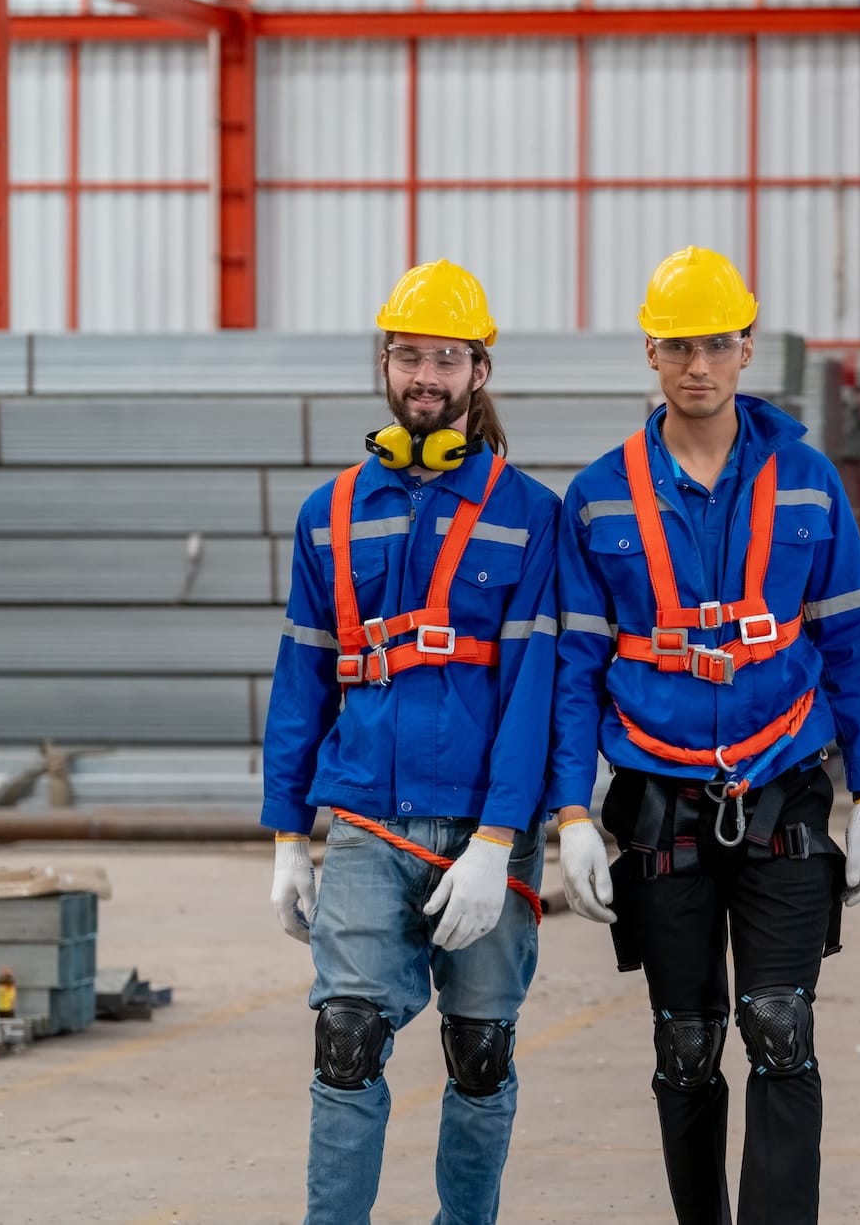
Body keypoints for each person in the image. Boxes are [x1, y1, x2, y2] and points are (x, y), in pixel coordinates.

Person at [547, 245, 860, 1225]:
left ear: (746, 350)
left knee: (780, 1028)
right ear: (650, 354)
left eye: (715, 344)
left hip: (782, 789)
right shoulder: (598, 497)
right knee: (686, 1043)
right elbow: (573, 671)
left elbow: (854, 641)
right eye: (677, 346)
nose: (697, 364)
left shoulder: (809, 483)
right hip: (657, 804)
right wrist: (572, 811)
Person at [263, 259, 563, 1225]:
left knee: (481, 1054)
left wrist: (498, 839)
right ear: (383, 363)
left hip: (484, 830)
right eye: (408, 356)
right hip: (364, 822)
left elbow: (534, 695)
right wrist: (284, 838)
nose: (424, 375)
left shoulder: (530, 517)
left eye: (446, 357)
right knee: (344, 1039)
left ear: (480, 370)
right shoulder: (332, 514)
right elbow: (303, 678)